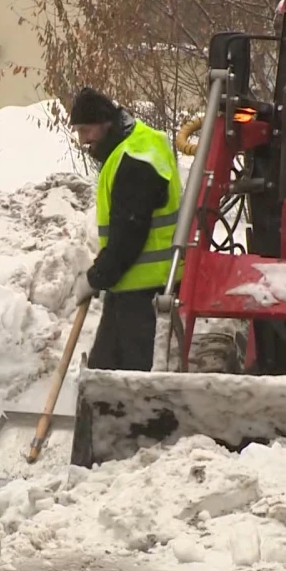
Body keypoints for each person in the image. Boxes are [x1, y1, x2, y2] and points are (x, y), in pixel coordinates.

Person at [69, 87, 185, 371]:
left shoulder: (136, 159)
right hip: (129, 287)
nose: (82, 140)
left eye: (86, 130)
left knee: (133, 386)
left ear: (106, 123)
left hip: (148, 294)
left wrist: (95, 278)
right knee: (104, 373)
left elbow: (128, 236)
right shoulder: (132, 145)